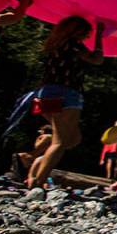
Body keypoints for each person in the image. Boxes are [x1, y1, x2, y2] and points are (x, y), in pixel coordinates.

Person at [26, 16, 104, 188]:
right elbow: (97, 59)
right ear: (77, 31)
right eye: (86, 32)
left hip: (45, 94)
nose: (86, 36)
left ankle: (34, 159)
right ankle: (37, 183)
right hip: (67, 93)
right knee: (61, 142)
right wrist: (99, 36)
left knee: (73, 139)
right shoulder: (75, 45)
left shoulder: (54, 44)